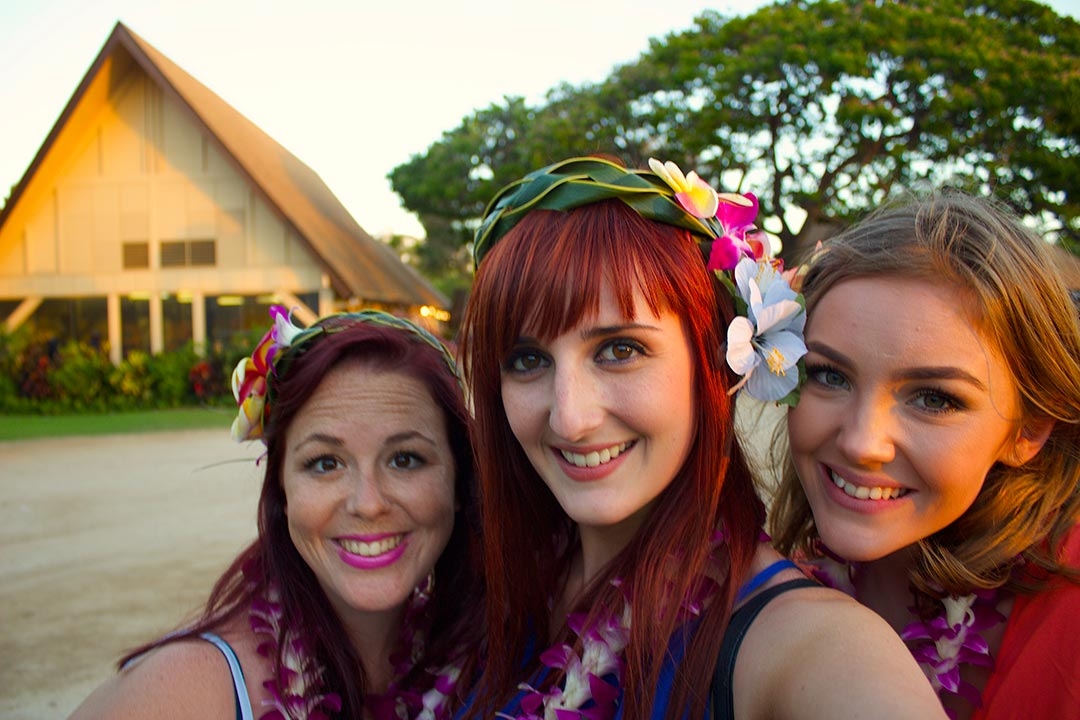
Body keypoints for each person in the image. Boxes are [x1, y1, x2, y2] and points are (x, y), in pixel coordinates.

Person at [454, 156, 946, 719]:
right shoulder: (486, 589)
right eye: (528, 359)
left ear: (720, 360)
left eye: (620, 350)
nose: (570, 418)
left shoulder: (814, 650)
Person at [70, 307, 482, 720]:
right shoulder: (185, 693)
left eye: (406, 459)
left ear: (459, 480)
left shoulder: (488, 667)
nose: (368, 503)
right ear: (281, 490)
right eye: (325, 463)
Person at [770, 193, 1080, 720]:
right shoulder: (761, 599)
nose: (862, 443)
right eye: (829, 375)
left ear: (1028, 431)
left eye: (935, 398)